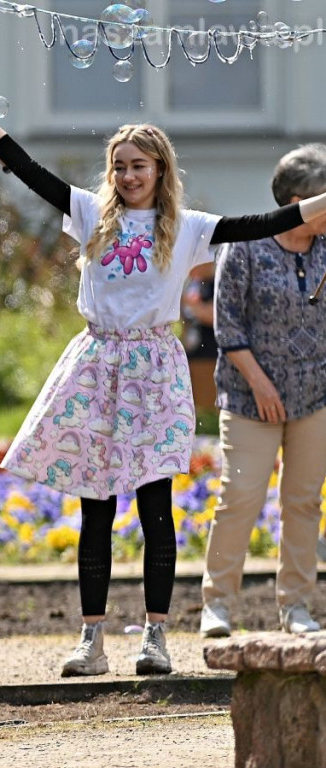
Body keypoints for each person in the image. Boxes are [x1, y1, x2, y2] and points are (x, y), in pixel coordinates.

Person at [0, 78, 326, 677]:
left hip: (153, 367)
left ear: (161, 170)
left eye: (138, 166)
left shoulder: (189, 227)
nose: (127, 176)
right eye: (118, 167)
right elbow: (20, 164)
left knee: (154, 507)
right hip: (97, 364)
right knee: (96, 507)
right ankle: (91, 639)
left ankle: (156, 636)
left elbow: (270, 219)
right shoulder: (90, 213)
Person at [200, 144, 326, 638]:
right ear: (299, 201)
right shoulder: (246, 243)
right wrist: (261, 385)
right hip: (252, 397)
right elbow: (227, 327)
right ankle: (219, 606)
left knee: (303, 502)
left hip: (316, 395)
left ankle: (296, 606)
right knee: (240, 497)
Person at [181, 261, 218, 413]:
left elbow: (217, 317)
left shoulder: (218, 281)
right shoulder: (193, 283)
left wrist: (187, 303)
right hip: (191, 354)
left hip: (213, 356)